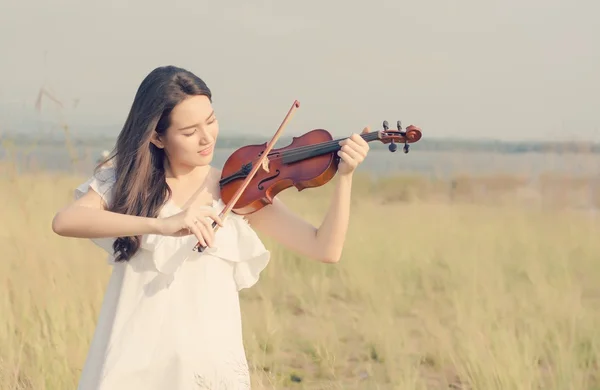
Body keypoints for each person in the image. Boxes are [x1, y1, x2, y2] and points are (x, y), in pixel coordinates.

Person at [51, 65, 370, 390]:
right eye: (189, 132)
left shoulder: (240, 188)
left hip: (208, 367)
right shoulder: (126, 185)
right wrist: (163, 225)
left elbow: (325, 248)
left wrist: (344, 177)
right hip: (135, 361)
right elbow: (65, 221)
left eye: (211, 121)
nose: (207, 138)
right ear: (157, 137)